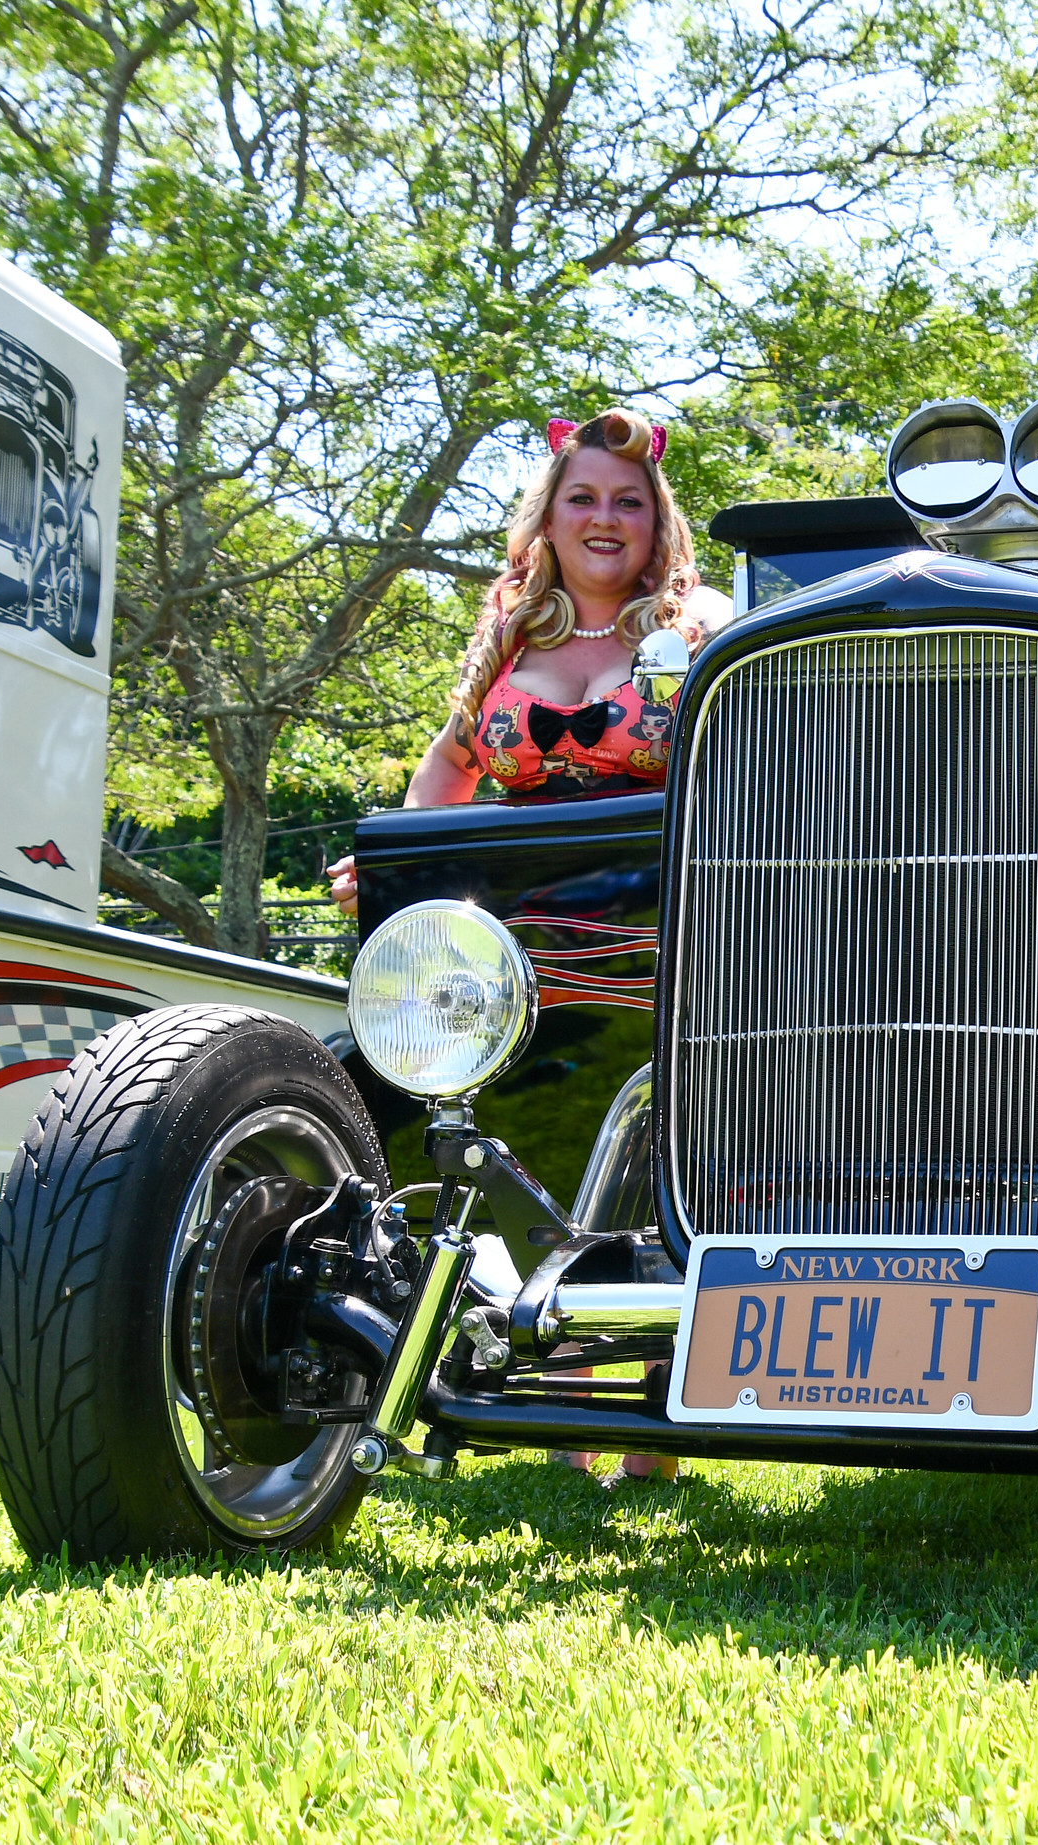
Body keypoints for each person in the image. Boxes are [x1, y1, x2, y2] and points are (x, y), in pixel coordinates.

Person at [328, 405, 730, 1490]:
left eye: (628, 502)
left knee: (658, 1174)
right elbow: (447, 770)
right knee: (539, 1178)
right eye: (582, 497)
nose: (605, 518)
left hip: (671, 941)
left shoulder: (701, 632)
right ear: (547, 516)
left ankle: (656, 1437)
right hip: (517, 960)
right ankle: (564, 1420)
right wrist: (398, 864)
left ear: (658, 524)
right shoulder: (510, 635)